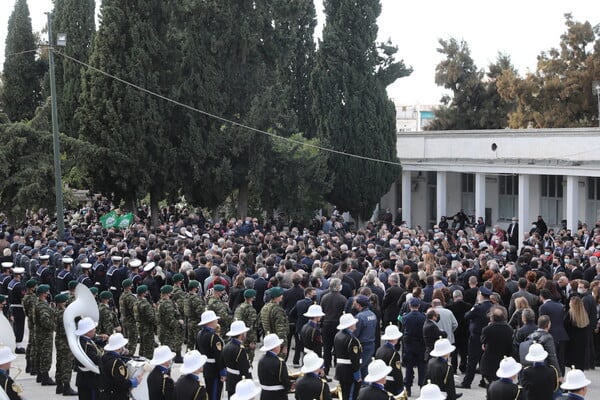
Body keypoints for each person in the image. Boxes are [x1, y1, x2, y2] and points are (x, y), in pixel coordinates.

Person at [460, 285, 493, 389]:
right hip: (488, 337)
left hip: (476, 337)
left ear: (481, 296)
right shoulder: (493, 306)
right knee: (485, 360)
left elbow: (466, 316)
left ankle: (467, 382)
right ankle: (485, 381)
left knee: (472, 360)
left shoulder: (478, 307)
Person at [99, 333, 144, 400]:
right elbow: (121, 382)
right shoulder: (117, 363)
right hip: (116, 396)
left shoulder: (104, 357)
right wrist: (134, 382)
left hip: (107, 393)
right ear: (119, 348)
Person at [480, 305, 514, 386]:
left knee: (489, 387)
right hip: (503, 360)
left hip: (489, 362)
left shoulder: (487, 329)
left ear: (492, 317)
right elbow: (510, 346)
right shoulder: (509, 329)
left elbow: (482, 341)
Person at [196, 310, 225, 400]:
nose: (217, 321)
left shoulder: (199, 334)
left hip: (206, 367)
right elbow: (218, 356)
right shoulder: (213, 337)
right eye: (215, 320)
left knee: (209, 392)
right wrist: (222, 372)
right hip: (214, 369)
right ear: (210, 322)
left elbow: (197, 350)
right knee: (215, 394)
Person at [320, 278, 346, 375]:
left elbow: (322, 311)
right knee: (338, 347)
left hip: (326, 324)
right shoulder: (343, 299)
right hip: (338, 325)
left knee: (327, 347)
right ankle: (336, 365)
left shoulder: (324, 297)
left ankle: (326, 368)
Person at [54, 293, 77, 396]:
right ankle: (66, 387)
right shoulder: (64, 313)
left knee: (59, 363)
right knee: (67, 364)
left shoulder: (56, 311)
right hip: (65, 341)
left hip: (59, 340)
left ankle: (59, 386)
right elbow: (66, 330)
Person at [334, 313, 362, 400]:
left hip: (341, 370)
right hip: (350, 372)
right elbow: (354, 359)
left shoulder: (337, 335)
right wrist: (357, 375)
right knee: (351, 396)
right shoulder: (352, 340)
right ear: (349, 325)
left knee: (345, 394)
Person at [75, 317, 102, 400]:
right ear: (88, 331)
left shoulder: (83, 340)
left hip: (85, 380)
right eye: (93, 329)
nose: (95, 330)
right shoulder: (86, 344)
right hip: (89, 381)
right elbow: (95, 359)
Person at [222, 320, 252, 397]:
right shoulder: (240, 349)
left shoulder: (227, 345)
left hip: (230, 380)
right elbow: (244, 369)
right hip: (239, 381)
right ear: (241, 334)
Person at [257, 333, 291, 400]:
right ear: (275, 347)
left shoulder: (261, 360)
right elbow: (285, 381)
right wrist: (290, 386)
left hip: (264, 394)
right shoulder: (279, 362)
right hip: (278, 395)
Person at [34, 284, 55, 385]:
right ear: (43, 294)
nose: (48, 293)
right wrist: (54, 326)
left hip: (39, 333)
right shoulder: (42, 305)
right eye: (46, 292)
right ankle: (45, 377)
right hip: (45, 334)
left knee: (40, 354)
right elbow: (45, 322)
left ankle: (40, 375)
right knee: (46, 355)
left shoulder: (38, 303)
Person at [259, 287, 289, 359]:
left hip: (269, 338)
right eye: (280, 295)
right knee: (279, 363)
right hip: (277, 341)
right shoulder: (277, 309)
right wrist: (284, 345)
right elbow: (280, 328)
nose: (282, 296)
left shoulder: (265, 307)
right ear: (276, 297)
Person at [375, 324, 404, 396]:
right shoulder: (394, 353)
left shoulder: (379, 349)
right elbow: (397, 373)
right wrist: (400, 387)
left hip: (380, 380)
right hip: (391, 383)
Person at [233, 288, 258, 364]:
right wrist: (253, 341)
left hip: (238, 336)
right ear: (252, 298)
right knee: (248, 360)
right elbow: (252, 326)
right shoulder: (251, 310)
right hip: (246, 338)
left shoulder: (239, 307)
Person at [564, 296, 590, 370]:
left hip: (572, 341)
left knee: (572, 361)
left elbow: (565, 325)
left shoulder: (570, 314)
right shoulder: (584, 314)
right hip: (582, 341)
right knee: (580, 360)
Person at [134, 285, 157, 359]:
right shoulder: (145, 304)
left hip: (140, 325)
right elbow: (151, 318)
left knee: (142, 345)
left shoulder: (136, 302)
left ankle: (141, 358)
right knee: (149, 346)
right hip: (147, 327)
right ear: (144, 293)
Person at [118, 279, 137, 355]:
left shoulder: (122, 295)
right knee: (132, 341)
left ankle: (124, 354)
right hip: (131, 322)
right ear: (130, 286)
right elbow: (134, 311)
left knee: (126, 340)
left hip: (124, 321)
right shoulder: (130, 297)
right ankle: (130, 355)